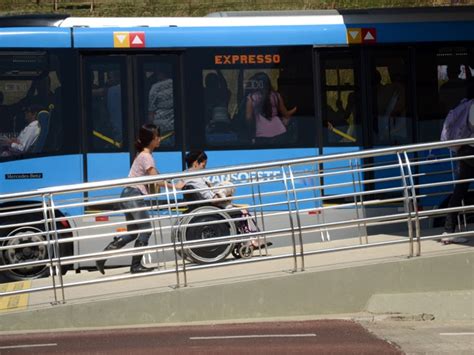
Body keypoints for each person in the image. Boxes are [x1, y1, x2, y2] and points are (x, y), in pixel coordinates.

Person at [95, 124, 184, 274]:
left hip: (127, 194)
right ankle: (135, 266)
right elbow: (157, 180)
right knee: (146, 229)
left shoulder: (142, 155)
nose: (160, 139)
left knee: (132, 232)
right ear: (152, 139)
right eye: (158, 136)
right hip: (134, 195)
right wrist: (175, 186)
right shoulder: (146, 156)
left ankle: (103, 256)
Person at [182, 150, 272, 250]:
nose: (205, 167)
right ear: (196, 163)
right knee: (243, 211)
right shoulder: (196, 179)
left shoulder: (186, 176)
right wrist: (224, 197)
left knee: (238, 207)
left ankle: (249, 241)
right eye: (204, 165)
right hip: (211, 207)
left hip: (207, 205)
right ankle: (253, 241)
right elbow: (211, 199)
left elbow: (179, 186)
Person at [441, 80, 474, 244]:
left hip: (464, 151)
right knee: (460, 189)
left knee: (460, 189)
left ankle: (448, 230)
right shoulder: (473, 106)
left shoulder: (465, 105)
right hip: (470, 151)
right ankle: (448, 230)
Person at [245, 72, 297, 144]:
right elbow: (286, 114)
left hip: (261, 135)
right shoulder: (276, 96)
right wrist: (296, 109)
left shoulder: (252, 97)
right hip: (280, 133)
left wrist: (251, 134)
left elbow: (248, 118)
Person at [148, 68, 174, 135]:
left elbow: (151, 110)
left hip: (161, 126)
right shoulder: (176, 83)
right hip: (173, 125)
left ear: (160, 73)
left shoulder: (155, 87)